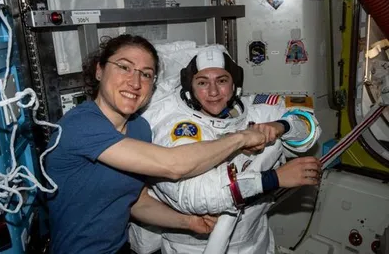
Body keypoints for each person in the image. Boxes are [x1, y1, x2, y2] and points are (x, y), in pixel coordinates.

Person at [44, 35, 268, 254]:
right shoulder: (80, 125)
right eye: (124, 67)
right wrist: (241, 138)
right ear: (99, 70)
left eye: (146, 74)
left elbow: (137, 202)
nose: (135, 82)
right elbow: (172, 165)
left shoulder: (139, 128)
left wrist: (188, 222)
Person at [129, 46, 322, 254]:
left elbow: (309, 127)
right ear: (190, 87)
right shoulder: (178, 128)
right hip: (193, 248)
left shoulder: (255, 111)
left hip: (256, 241)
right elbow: (194, 196)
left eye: (221, 81)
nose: (213, 92)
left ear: (234, 84)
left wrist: (281, 126)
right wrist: (274, 178)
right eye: (202, 82)